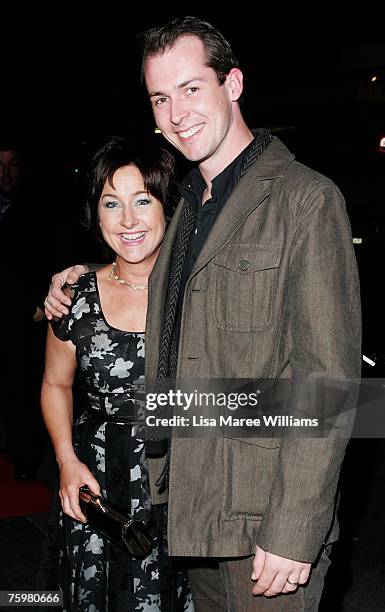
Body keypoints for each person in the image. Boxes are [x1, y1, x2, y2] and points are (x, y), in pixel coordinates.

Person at [44, 17, 361, 611]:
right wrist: (76, 278)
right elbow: (137, 274)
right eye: (161, 97)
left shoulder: (305, 200)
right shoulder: (188, 208)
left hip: (267, 523)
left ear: (233, 84)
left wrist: (295, 527)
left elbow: (330, 386)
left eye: (192, 88)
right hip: (193, 516)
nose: (177, 112)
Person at [38, 137, 193, 611]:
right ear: (96, 214)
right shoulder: (74, 296)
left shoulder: (200, 289)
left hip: (179, 479)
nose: (128, 220)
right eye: (112, 203)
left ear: (168, 207)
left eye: (142, 201)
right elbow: (55, 384)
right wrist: (66, 461)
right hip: (97, 480)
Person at [0, 141, 47, 481]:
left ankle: (25, 466)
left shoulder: (38, 210)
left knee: (24, 395)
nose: (5, 173)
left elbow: (58, 256)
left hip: (23, 320)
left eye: (12, 165)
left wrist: (41, 306)